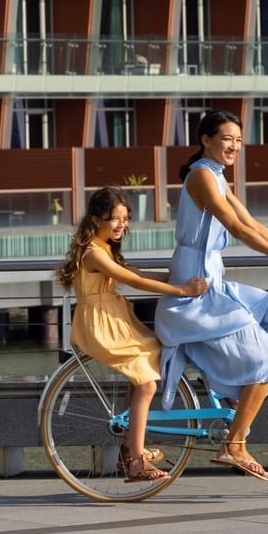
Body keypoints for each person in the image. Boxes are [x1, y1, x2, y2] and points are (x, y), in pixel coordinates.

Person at [155, 110, 268, 481]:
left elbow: (251, 223)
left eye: (238, 141)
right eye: (227, 139)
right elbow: (235, 229)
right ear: (206, 140)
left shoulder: (216, 176)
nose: (233, 146)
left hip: (214, 279)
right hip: (196, 289)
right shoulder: (201, 176)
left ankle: (233, 384)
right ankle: (235, 444)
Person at [55, 186, 209, 483]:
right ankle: (135, 461)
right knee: (147, 384)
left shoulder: (103, 248)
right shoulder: (93, 254)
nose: (121, 225)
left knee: (154, 354)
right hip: (101, 324)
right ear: (96, 219)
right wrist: (181, 290)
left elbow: (134, 271)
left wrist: (177, 276)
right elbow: (133, 279)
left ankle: (131, 442)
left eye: (125, 219)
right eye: (114, 218)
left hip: (115, 317)